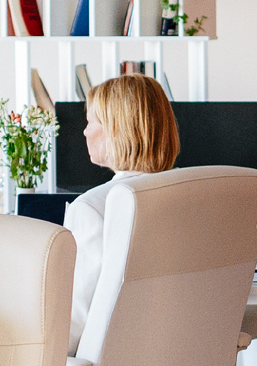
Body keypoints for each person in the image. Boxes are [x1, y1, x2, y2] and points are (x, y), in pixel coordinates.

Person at [62, 73, 180, 346]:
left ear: (117, 129)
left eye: (91, 122)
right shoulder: (194, 195)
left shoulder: (92, 209)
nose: (85, 131)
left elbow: (74, 326)